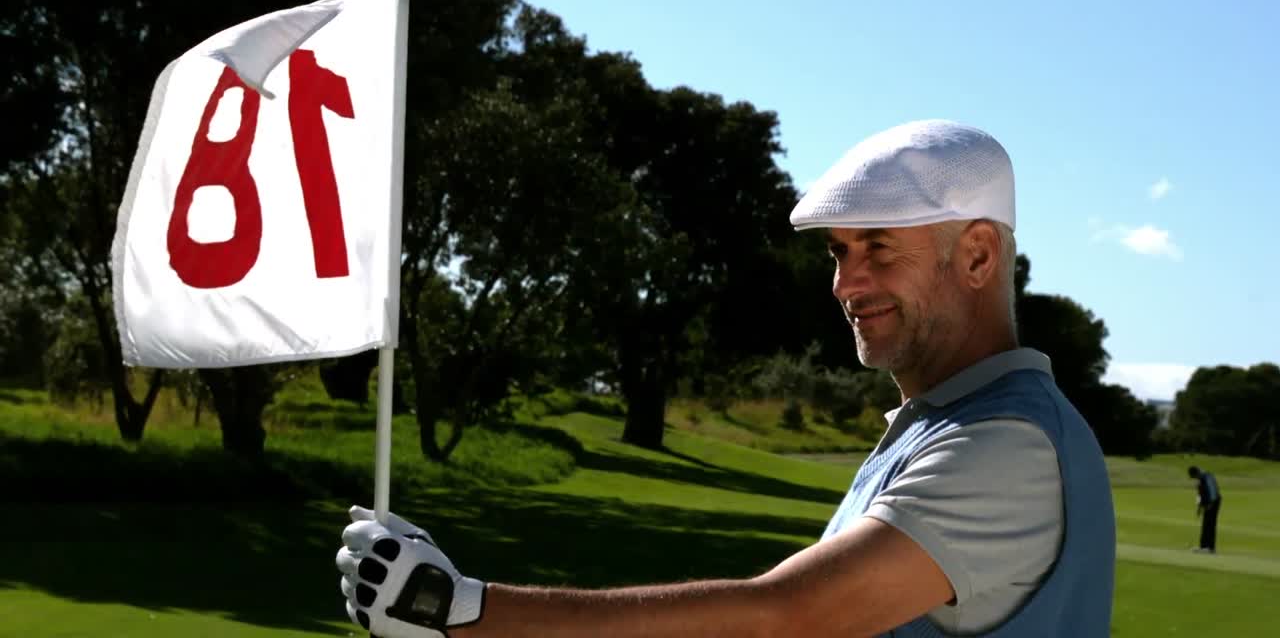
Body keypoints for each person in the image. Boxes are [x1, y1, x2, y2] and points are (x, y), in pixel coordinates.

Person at [335, 120, 1117, 637]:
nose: (847, 284)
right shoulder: (948, 425)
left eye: (879, 248)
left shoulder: (1004, 444)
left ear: (978, 256)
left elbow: (785, 615)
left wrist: (463, 610)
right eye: (840, 253)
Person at [1188, 466, 1221, 553]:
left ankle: (1210, 547)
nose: (1195, 479)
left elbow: (1213, 491)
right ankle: (1203, 546)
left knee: (1210, 523)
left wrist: (1211, 504)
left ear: (1197, 473)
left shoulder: (1207, 476)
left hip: (1214, 502)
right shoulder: (1200, 480)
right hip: (1207, 502)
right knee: (1205, 523)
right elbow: (1199, 494)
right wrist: (1199, 507)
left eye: (1194, 476)